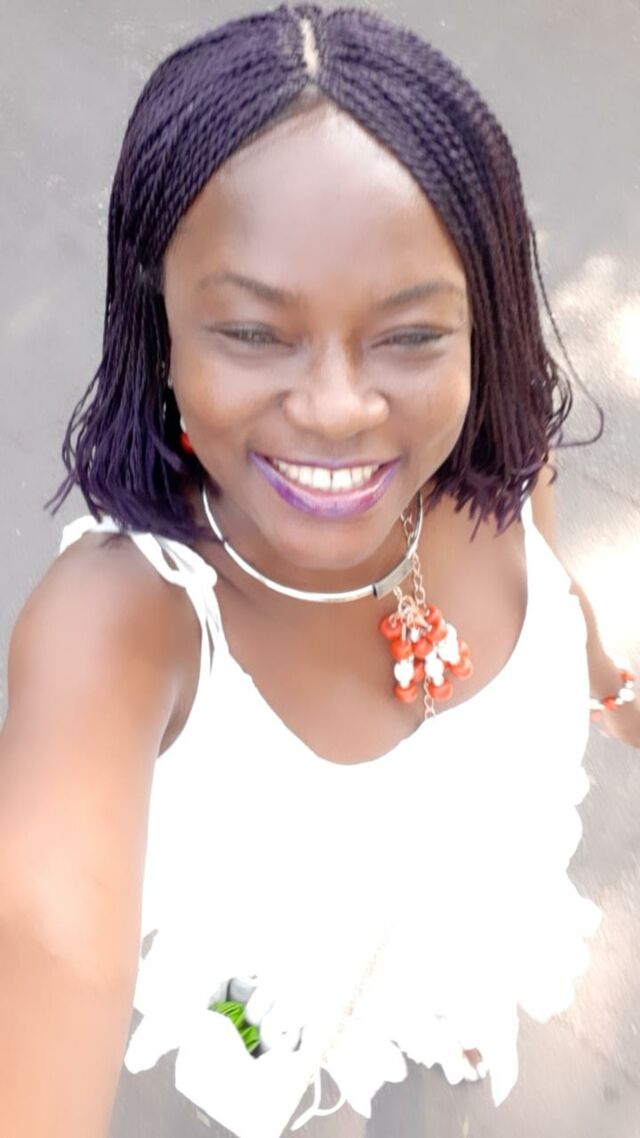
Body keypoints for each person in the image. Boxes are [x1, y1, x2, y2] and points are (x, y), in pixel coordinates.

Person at [1, 4, 638, 1137]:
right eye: (253, 332)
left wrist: (605, 679)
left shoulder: (494, 462)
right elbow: (44, 941)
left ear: (480, 327)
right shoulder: (121, 626)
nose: (339, 410)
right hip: (279, 998)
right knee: (283, 1061)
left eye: (411, 335)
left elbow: (548, 577)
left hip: (464, 913)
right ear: (160, 329)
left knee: (447, 1008)